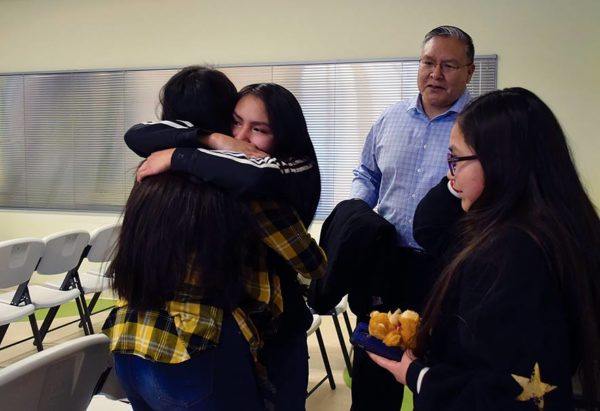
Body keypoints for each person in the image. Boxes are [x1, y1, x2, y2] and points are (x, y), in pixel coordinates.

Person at [103, 67, 327, 410]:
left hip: (129, 342)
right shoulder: (245, 186)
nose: (243, 136)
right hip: (195, 349)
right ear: (222, 119)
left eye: (258, 128)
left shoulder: (149, 176)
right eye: (236, 123)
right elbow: (311, 263)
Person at [368, 87, 600, 410]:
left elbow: (501, 393)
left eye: (456, 159)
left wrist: (416, 375)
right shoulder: (561, 227)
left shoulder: (508, 254)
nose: (450, 174)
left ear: (501, 163)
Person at [348, 25, 475, 410]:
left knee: (437, 372)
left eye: (449, 65)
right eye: (428, 62)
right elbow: (366, 173)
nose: (435, 74)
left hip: (447, 268)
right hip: (385, 264)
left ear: (469, 71)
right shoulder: (389, 119)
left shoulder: (478, 128)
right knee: (373, 375)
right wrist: (356, 212)